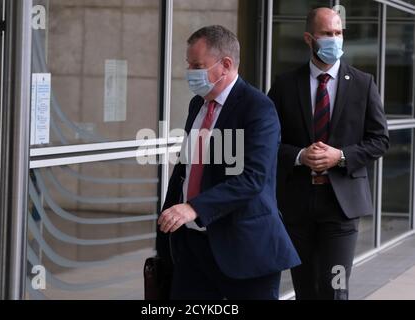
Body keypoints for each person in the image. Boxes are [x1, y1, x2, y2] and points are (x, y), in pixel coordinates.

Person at [156, 25, 300, 300]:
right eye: (188, 64)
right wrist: (165, 232)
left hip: (244, 250)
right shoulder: (197, 105)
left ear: (225, 65)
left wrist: (193, 208)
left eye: (197, 65)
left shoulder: (258, 108)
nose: (190, 71)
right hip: (192, 248)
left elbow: (252, 179)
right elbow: (186, 169)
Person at [268, 8, 389, 300]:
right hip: (297, 205)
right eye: (327, 33)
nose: (334, 39)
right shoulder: (285, 85)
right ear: (309, 38)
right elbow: (268, 142)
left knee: (335, 289)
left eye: (338, 33)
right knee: (305, 290)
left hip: (341, 207)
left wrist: (341, 156)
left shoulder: (363, 84)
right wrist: (299, 156)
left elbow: (380, 140)